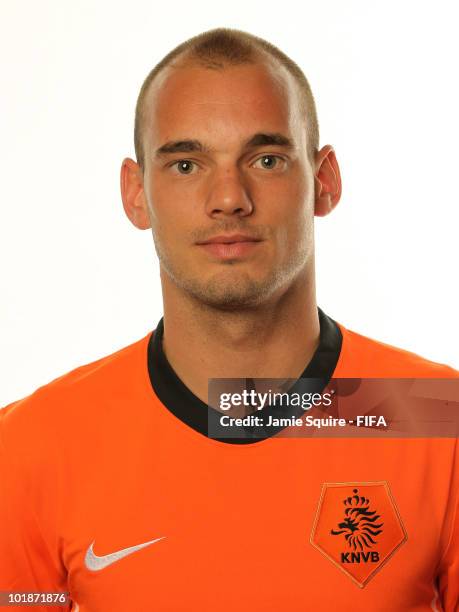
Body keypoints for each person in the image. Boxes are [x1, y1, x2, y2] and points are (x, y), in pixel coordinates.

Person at [0, 28, 457, 612]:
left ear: (324, 181)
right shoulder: (33, 447)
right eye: (187, 164)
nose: (228, 197)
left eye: (266, 159)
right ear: (136, 194)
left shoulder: (438, 419)